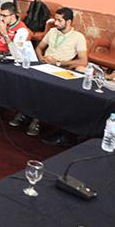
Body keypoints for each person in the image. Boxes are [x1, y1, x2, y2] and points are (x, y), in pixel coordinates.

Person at [15, 7, 89, 141]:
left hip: (60, 69)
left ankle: (36, 119)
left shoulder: (78, 37)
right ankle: (24, 112)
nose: (55, 23)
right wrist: (41, 58)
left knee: (44, 87)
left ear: (68, 22)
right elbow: (39, 48)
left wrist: (59, 62)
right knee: (26, 80)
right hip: (44, 65)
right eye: (55, 20)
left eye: (59, 20)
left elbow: (83, 61)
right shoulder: (52, 31)